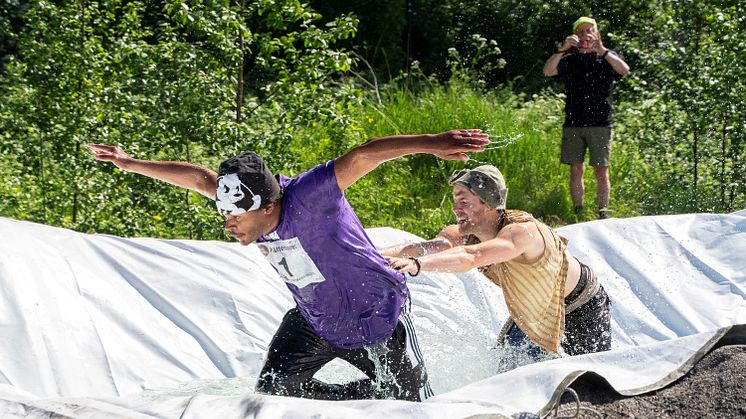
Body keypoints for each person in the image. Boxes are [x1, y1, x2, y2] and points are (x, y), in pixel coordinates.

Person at [88, 129, 488, 401]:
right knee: (273, 393)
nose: (230, 225)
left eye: (237, 218)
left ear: (267, 206)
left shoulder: (311, 194)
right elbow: (199, 178)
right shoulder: (241, 197)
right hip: (315, 322)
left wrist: (432, 142)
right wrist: (129, 163)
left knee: (414, 404)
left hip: (378, 318)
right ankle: (361, 401)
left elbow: (364, 153)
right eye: (225, 214)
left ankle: (385, 398)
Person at [382, 165, 611, 369]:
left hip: (582, 305)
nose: (455, 209)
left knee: (592, 378)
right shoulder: (467, 234)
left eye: (464, 202)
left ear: (489, 203)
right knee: (507, 374)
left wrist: (416, 266)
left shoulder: (522, 232)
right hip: (535, 310)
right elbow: (423, 247)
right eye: (455, 202)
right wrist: (372, 257)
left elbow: (472, 256)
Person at [543, 16, 630, 220]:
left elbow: (624, 70)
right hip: (573, 124)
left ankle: (603, 213)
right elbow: (548, 71)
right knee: (575, 170)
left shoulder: (606, 57)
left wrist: (602, 50)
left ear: (596, 33)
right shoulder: (569, 60)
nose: (585, 35)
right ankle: (578, 211)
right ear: (575, 35)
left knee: (601, 170)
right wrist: (563, 48)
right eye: (581, 31)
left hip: (600, 124)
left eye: (589, 31)